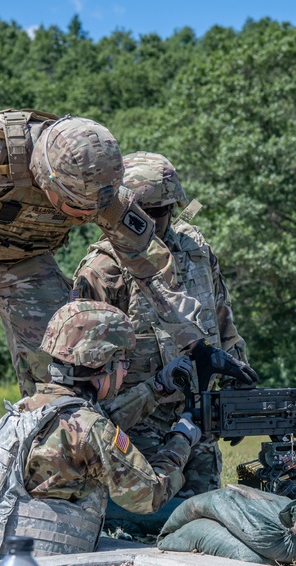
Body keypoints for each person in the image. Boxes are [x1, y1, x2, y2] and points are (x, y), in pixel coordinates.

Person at [0, 110, 256, 546]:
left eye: (92, 209)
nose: (86, 215)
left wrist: (194, 344)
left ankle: (59, 492)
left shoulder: (104, 192)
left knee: (64, 368)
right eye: (75, 206)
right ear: (44, 176)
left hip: (28, 262)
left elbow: (147, 270)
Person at [0, 300, 200, 560]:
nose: (126, 372)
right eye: (124, 362)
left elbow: (99, 420)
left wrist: (157, 386)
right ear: (105, 363)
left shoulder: (28, 409)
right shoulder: (90, 430)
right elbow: (150, 494)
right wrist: (182, 439)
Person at [74, 152, 249, 502]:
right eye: (143, 213)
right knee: (146, 526)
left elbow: (221, 317)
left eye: (162, 211)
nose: (154, 222)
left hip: (197, 417)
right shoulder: (103, 268)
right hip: (139, 424)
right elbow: (83, 368)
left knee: (202, 518)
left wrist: (235, 386)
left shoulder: (195, 250)